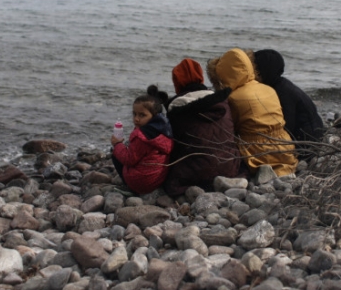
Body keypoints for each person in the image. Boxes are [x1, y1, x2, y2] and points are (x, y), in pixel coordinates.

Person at [208, 48, 298, 177]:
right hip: (284, 146)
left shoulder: (234, 98)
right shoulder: (268, 89)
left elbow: (231, 128)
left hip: (256, 151)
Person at [163, 58, 241, 196]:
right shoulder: (222, 101)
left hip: (194, 172)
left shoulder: (177, 107)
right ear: (201, 77)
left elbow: (174, 144)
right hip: (230, 167)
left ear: (177, 82)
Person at [252, 49, 325, 159]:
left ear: (263, 70)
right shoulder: (281, 85)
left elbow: (287, 126)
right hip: (313, 137)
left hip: (307, 145)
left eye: (255, 69)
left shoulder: (283, 92)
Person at [111, 85, 173, 195]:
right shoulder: (165, 131)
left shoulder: (142, 136)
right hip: (156, 180)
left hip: (140, 183)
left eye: (142, 115)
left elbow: (128, 159)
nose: (136, 119)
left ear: (154, 116)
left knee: (115, 154)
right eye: (134, 114)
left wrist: (117, 145)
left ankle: (129, 187)